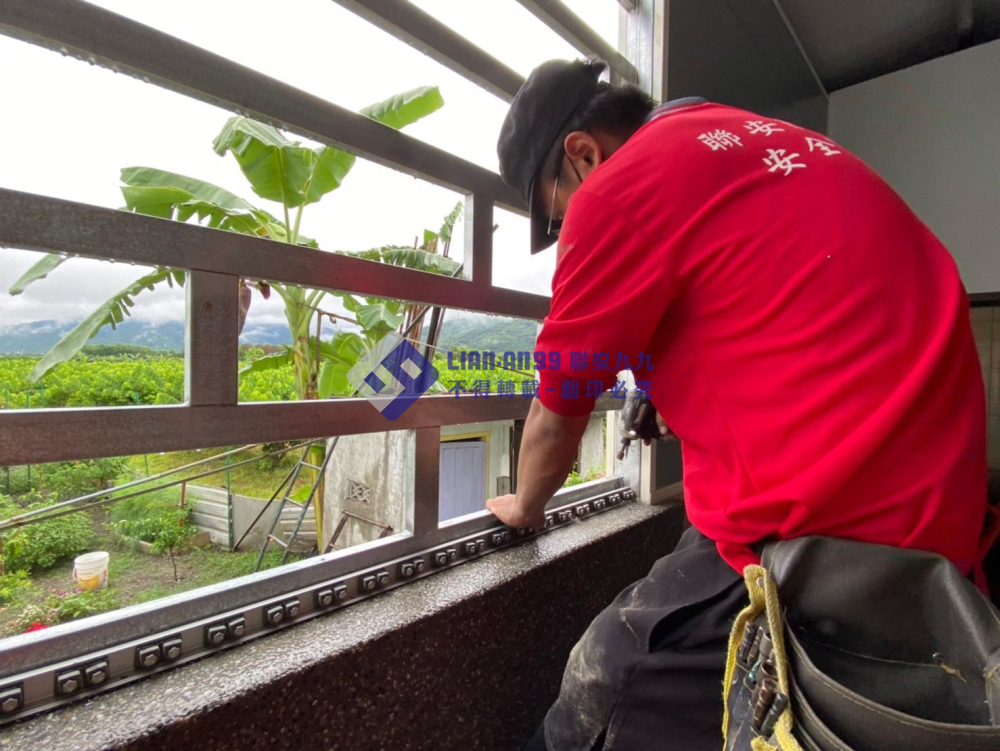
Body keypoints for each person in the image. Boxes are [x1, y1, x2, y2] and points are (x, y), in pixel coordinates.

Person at [486, 58, 987, 750]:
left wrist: (524, 503)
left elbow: (560, 405)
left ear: (583, 153)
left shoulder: (618, 189)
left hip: (834, 534)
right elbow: (777, 306)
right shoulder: (758, 140)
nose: (565, 226)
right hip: (940, 514)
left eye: (554, 207)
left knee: (605, 681)